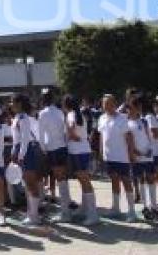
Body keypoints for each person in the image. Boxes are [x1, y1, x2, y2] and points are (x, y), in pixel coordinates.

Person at [98, 94, 137, 222]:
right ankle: (116, 208)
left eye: (108, 103)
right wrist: (101, 152)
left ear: (114, 104)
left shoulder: (122, 118)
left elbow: (129, 137)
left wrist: (131, 153)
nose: (106, 106)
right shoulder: (101, 118)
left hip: (122, 156)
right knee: (114, 181)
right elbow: (101, 136)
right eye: (104, 103)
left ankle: (131, 211)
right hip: (109, 156)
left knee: (126, 181)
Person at [59, 95, 97, 224]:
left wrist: (74, 138)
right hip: (83, 150)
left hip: (77, 151)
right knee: (83, 180)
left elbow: (70, 131)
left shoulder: (70, 115)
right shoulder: (78, 113)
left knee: (85, 181)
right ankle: (86, 208)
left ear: (66, 105)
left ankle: (92, 214)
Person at [37, 89, 72, 222]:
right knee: (63, 179)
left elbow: (41, 135)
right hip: (62, 147)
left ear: (43, 99)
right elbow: (64, 131)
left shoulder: (42, 114)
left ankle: (65, 213)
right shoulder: (59, 112)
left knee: (60, 179)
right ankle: (66, 210)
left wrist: (44, 150)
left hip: (52, 149)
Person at [10, 93, 42, 226]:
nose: (11, 104)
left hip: (27, 150)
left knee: (31, 183)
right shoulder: (18, 117)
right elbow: (16, 139)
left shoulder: (23, 118)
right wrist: (14, 151)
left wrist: (21, 155)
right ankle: (31, 213)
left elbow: (25, 139)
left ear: (19, 104)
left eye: (13, 102)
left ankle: (34, 216)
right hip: (23, 149)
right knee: (27, 184)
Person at [127, 97, 158, 221]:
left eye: (139, 107)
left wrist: (150, 149)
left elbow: (149, 137)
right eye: (135, 107)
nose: (138, 109)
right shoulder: (127, 124)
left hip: (148, 155)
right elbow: (129, 142)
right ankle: (145, 206)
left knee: (151, 179)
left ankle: (154, 207)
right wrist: (136, 153)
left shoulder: (144, 121)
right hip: (137, 156)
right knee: (141, 180)